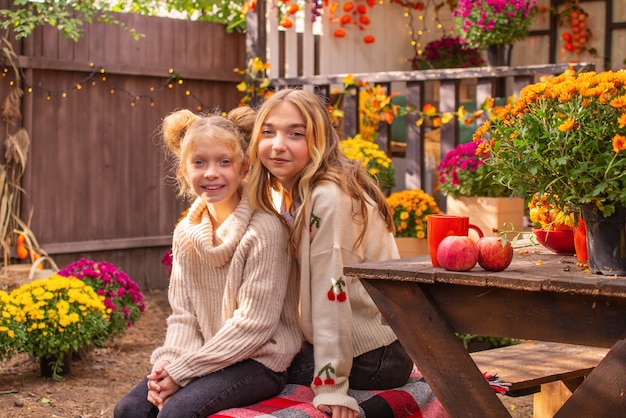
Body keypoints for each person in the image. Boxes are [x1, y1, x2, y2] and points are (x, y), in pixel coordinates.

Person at [114, 106, 302, 418]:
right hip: (207, 356)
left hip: (261, 359)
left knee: (177, 413)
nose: (211, 172)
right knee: (130, 410)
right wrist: (167, 362)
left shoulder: (265, 230)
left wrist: (183, 371)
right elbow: (184, 317)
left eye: (223, 162)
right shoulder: (186, 234)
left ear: (243, 168)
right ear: (184, 171)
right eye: (199, 162)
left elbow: (254, 327)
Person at [247, 89, 414, 418]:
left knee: (254, 371)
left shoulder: (327, 197)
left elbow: (331, 293)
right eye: (268, 131)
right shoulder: (295, 191)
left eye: (296, 134)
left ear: (320, 140)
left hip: (374, 356)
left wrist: (332, 388)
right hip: (358, 346)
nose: (278, 144)